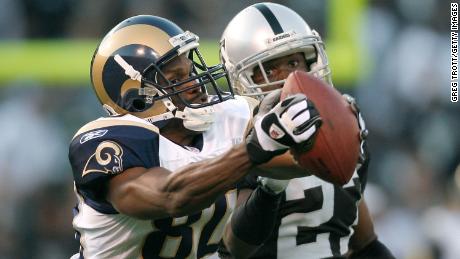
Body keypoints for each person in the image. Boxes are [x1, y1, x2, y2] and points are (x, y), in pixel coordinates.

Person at [68, 14, 323, 258]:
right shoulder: (108, 141)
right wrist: (255, 148)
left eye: (190, 73)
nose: (196, 85)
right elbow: (170, 196)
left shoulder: (228, 117)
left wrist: (325, 124)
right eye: (176, 79)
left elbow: (305, 160)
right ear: (137, 99)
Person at [218, 3, 395, 259]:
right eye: (270, 69)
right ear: (242, 79)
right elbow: (236, 248)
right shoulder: (233, 134)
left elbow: (364, 242)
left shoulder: (343, 120)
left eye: (294, 61)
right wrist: (272, 184)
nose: (290, 78)